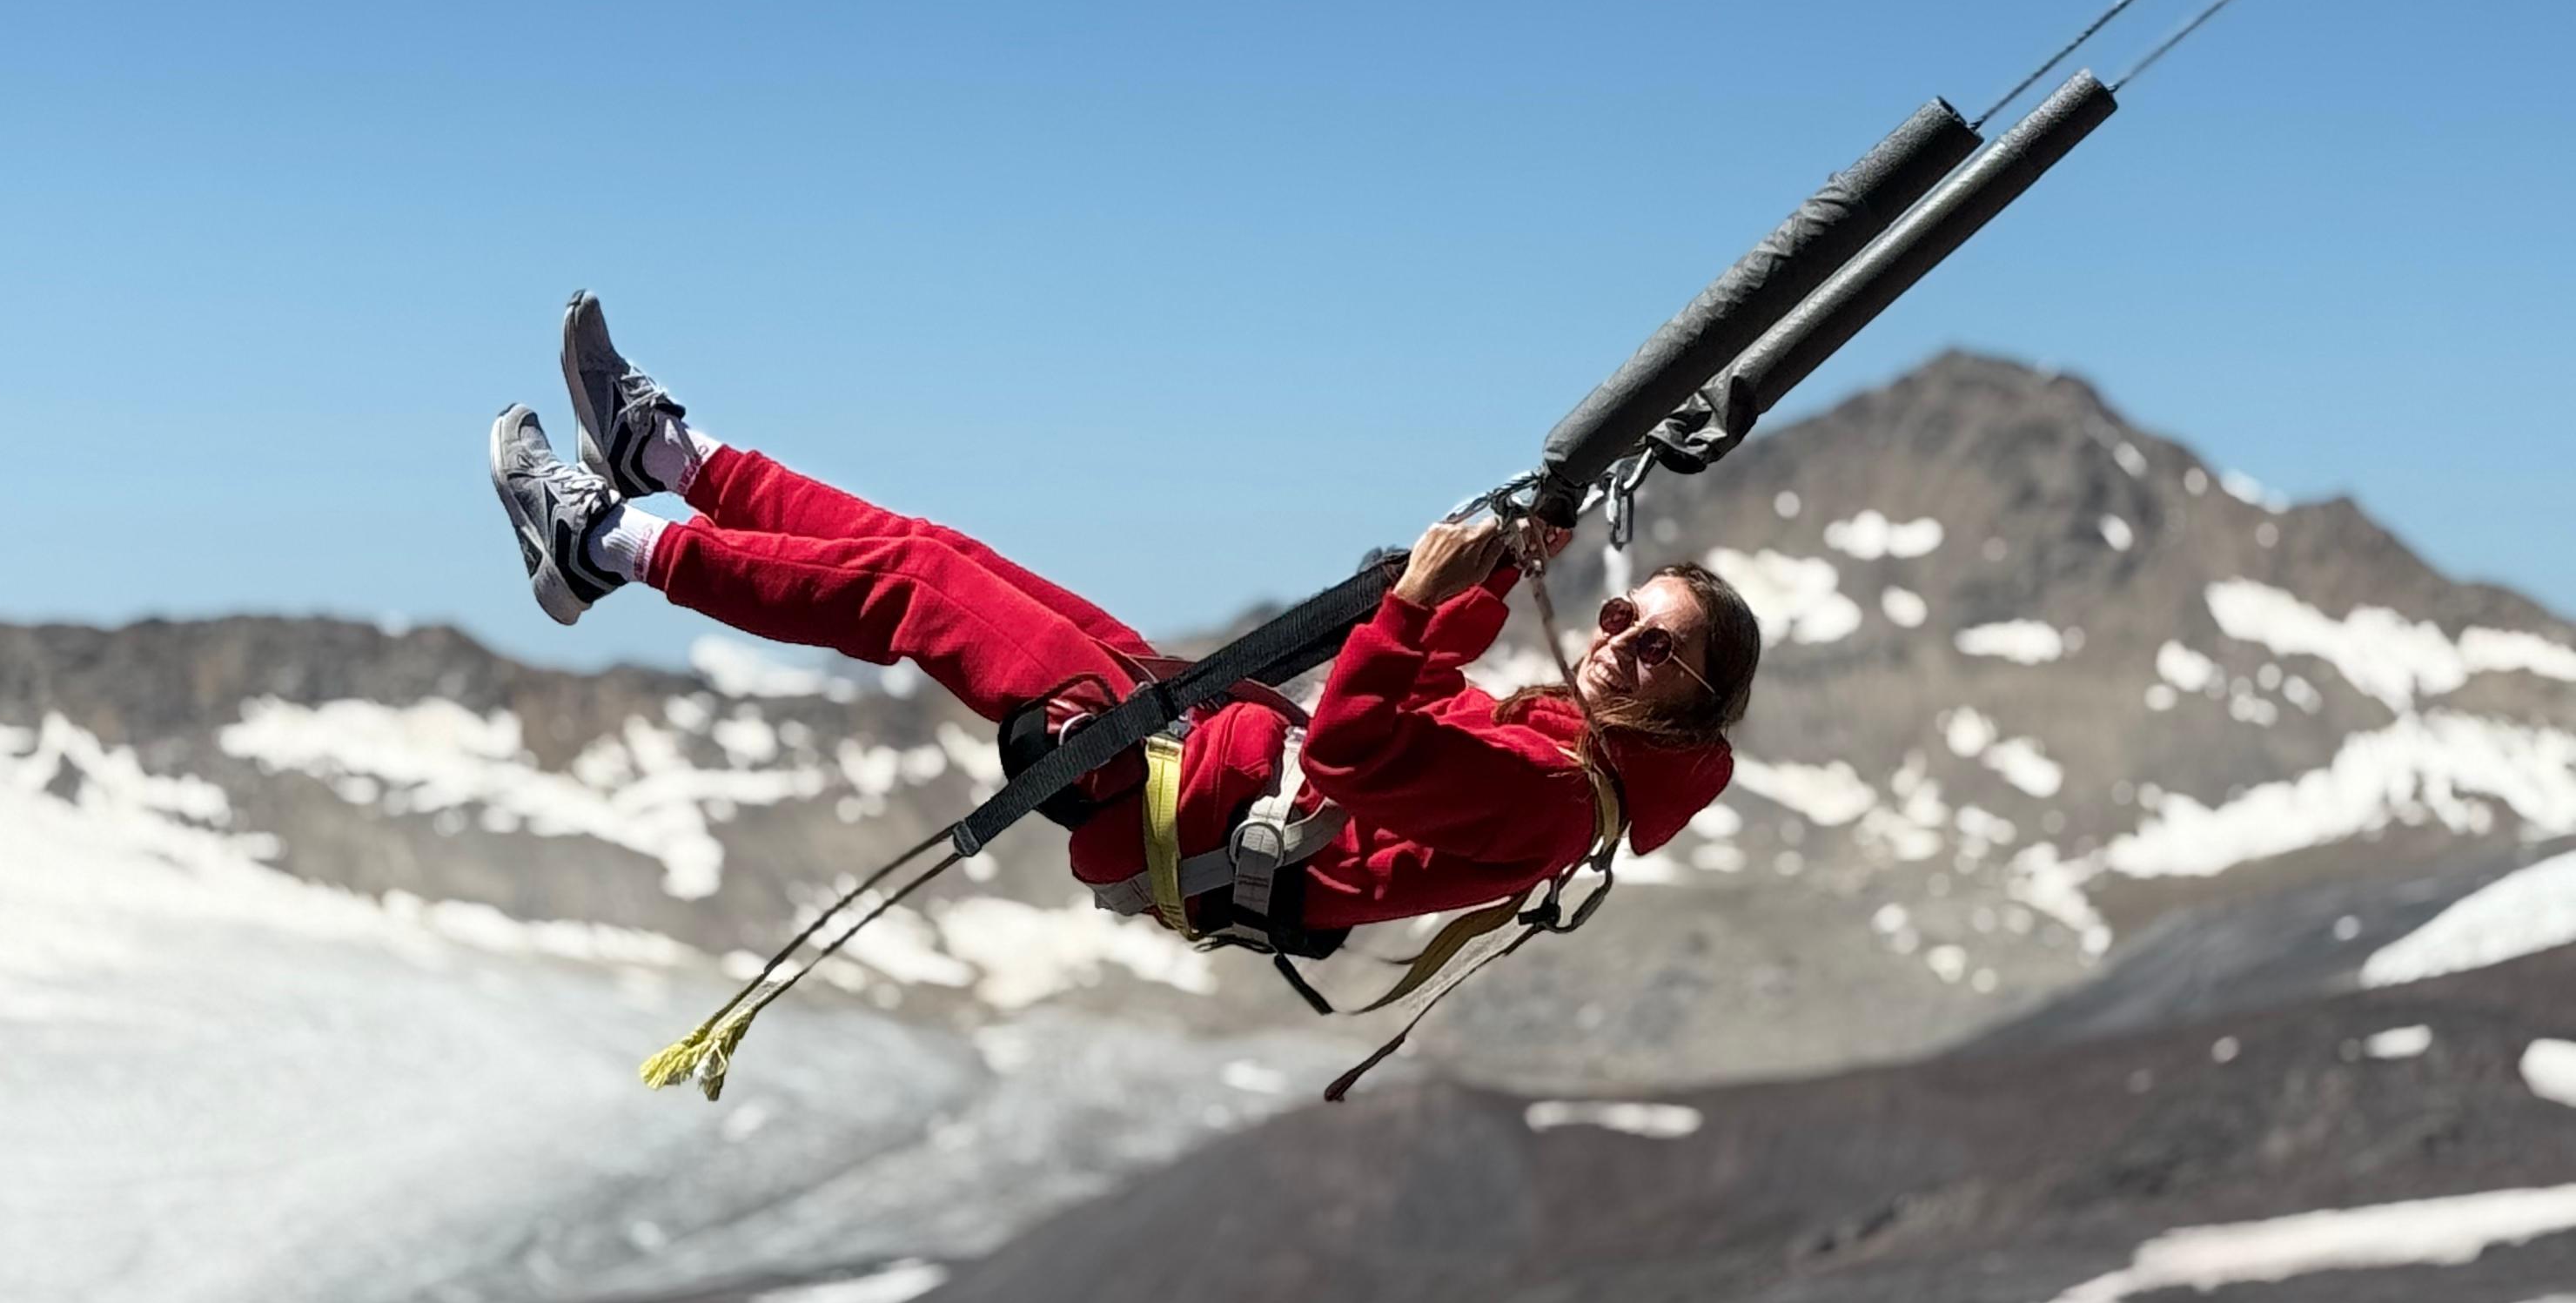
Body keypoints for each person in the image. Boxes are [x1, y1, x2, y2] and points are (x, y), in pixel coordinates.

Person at [490, 294, 1757, 955]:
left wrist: (1423, 598)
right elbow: (1413, 725)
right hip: (1212, 759)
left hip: (1188, 808)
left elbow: (1359, 756)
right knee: (940, 556)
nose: (1617, 638)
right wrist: (1474, 591)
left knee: (917, 598)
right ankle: (668, 454)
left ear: (1688, 703)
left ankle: (601, 541)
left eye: (1655, 646)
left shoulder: (1553, 794)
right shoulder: (1568, 759)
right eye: (1625, 612)